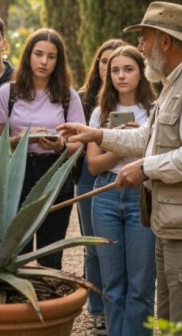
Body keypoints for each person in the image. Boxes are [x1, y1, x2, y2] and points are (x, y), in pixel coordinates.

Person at [59, 1, 182, 323]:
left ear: (164, 41)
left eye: (143, 39)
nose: (139, 49)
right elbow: (149, 137)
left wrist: (143, 167)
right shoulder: (176, 82)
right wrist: (96, 134)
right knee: (172, 317)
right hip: (177, 220)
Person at [0, 28, 85, 269]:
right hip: (17, 174)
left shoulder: (68, 97)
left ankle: (49, 303)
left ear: (59, 60)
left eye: (51, 56)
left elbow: (80, 143)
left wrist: (61, 144)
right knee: (15, 250)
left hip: (55, 172)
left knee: (50, 252)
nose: (44, 61)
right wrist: (19, 140)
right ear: (28, 56)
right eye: (38, 54)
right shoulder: (7, 93)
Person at [86, 46, 157, 336]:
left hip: (142, 196)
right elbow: (93, 165)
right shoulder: (100, 113)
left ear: (141, 73)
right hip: (106, 194)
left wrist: (128, 139)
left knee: (141, 284)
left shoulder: (154, 110)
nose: (121, 76)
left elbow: (155, 158)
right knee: (112, 284)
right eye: (115, 70)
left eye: (128, 69)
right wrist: (121, 141)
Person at [76, 38, 128, 335]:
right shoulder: (86, 99)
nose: (111, 68)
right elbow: (88, 155)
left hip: (126, 174)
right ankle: (97, 308)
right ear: (98, 65)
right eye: (105, 61)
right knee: (93, 245)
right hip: (90, 176)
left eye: (118, 64)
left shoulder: (141, 103)